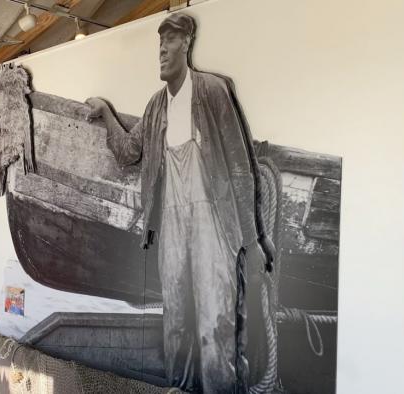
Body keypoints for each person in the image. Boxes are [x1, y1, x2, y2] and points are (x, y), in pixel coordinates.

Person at [85, 13, 273, 394]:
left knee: (216, 320)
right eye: (159, 44)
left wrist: (250, 241)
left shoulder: (214, 90)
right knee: (175, 321)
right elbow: (127, 152)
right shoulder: (156, 108)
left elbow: (240, 167)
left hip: (214, 221)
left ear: (187, 43)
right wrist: (105, 112)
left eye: (169, 42)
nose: (162, 51)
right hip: (171, 223)